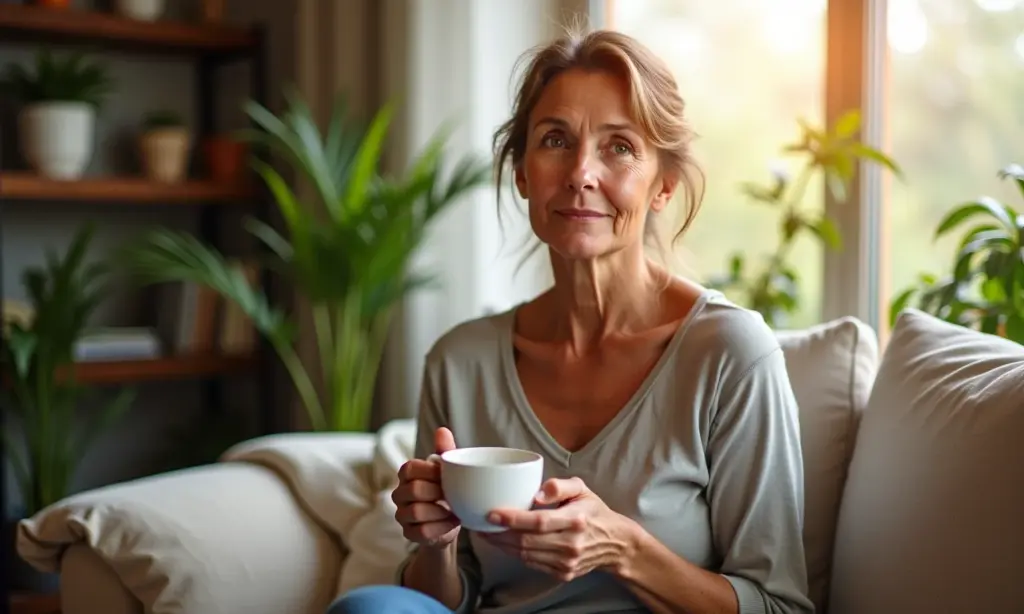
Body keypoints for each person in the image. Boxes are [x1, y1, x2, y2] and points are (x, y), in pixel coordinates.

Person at [327, 26, 814, 614]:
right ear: (523, 172)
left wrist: (623, 549)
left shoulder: (730, 352)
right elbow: (447, 601)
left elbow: (779, 605)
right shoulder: (460, 361)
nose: (581, 172)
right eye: (556, 139)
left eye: (619, 147)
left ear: (663, 185)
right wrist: (437, 544)